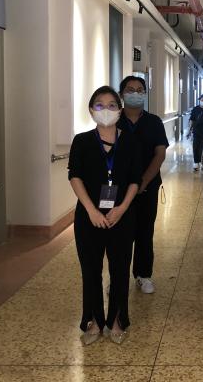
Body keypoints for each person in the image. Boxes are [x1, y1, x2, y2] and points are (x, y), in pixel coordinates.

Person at [68, 86, 142, 345]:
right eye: (99, 105)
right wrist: (91, 210)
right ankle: (93, 321)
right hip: (89, 217)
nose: (106, 110)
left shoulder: (131, 142)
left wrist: (122, 208)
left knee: (120, 270)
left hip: (122, 216)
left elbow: (135, 180)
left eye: (112, 105)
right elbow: (74, 176)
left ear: (120, 110)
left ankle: (117, 320)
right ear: (91, 111)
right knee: (90, 271)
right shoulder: (82, 141)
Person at [118, 76, 169, 295]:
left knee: (144, 231)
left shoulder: (153, 122)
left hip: (147, 187)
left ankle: (143, 274)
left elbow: (160, 154)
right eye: (130, 89)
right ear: (121, 94)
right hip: (119, 189)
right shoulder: (113, 120)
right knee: (119, 234)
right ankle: (117, 277)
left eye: (140, 90)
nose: (135, 94)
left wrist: (143, 181)